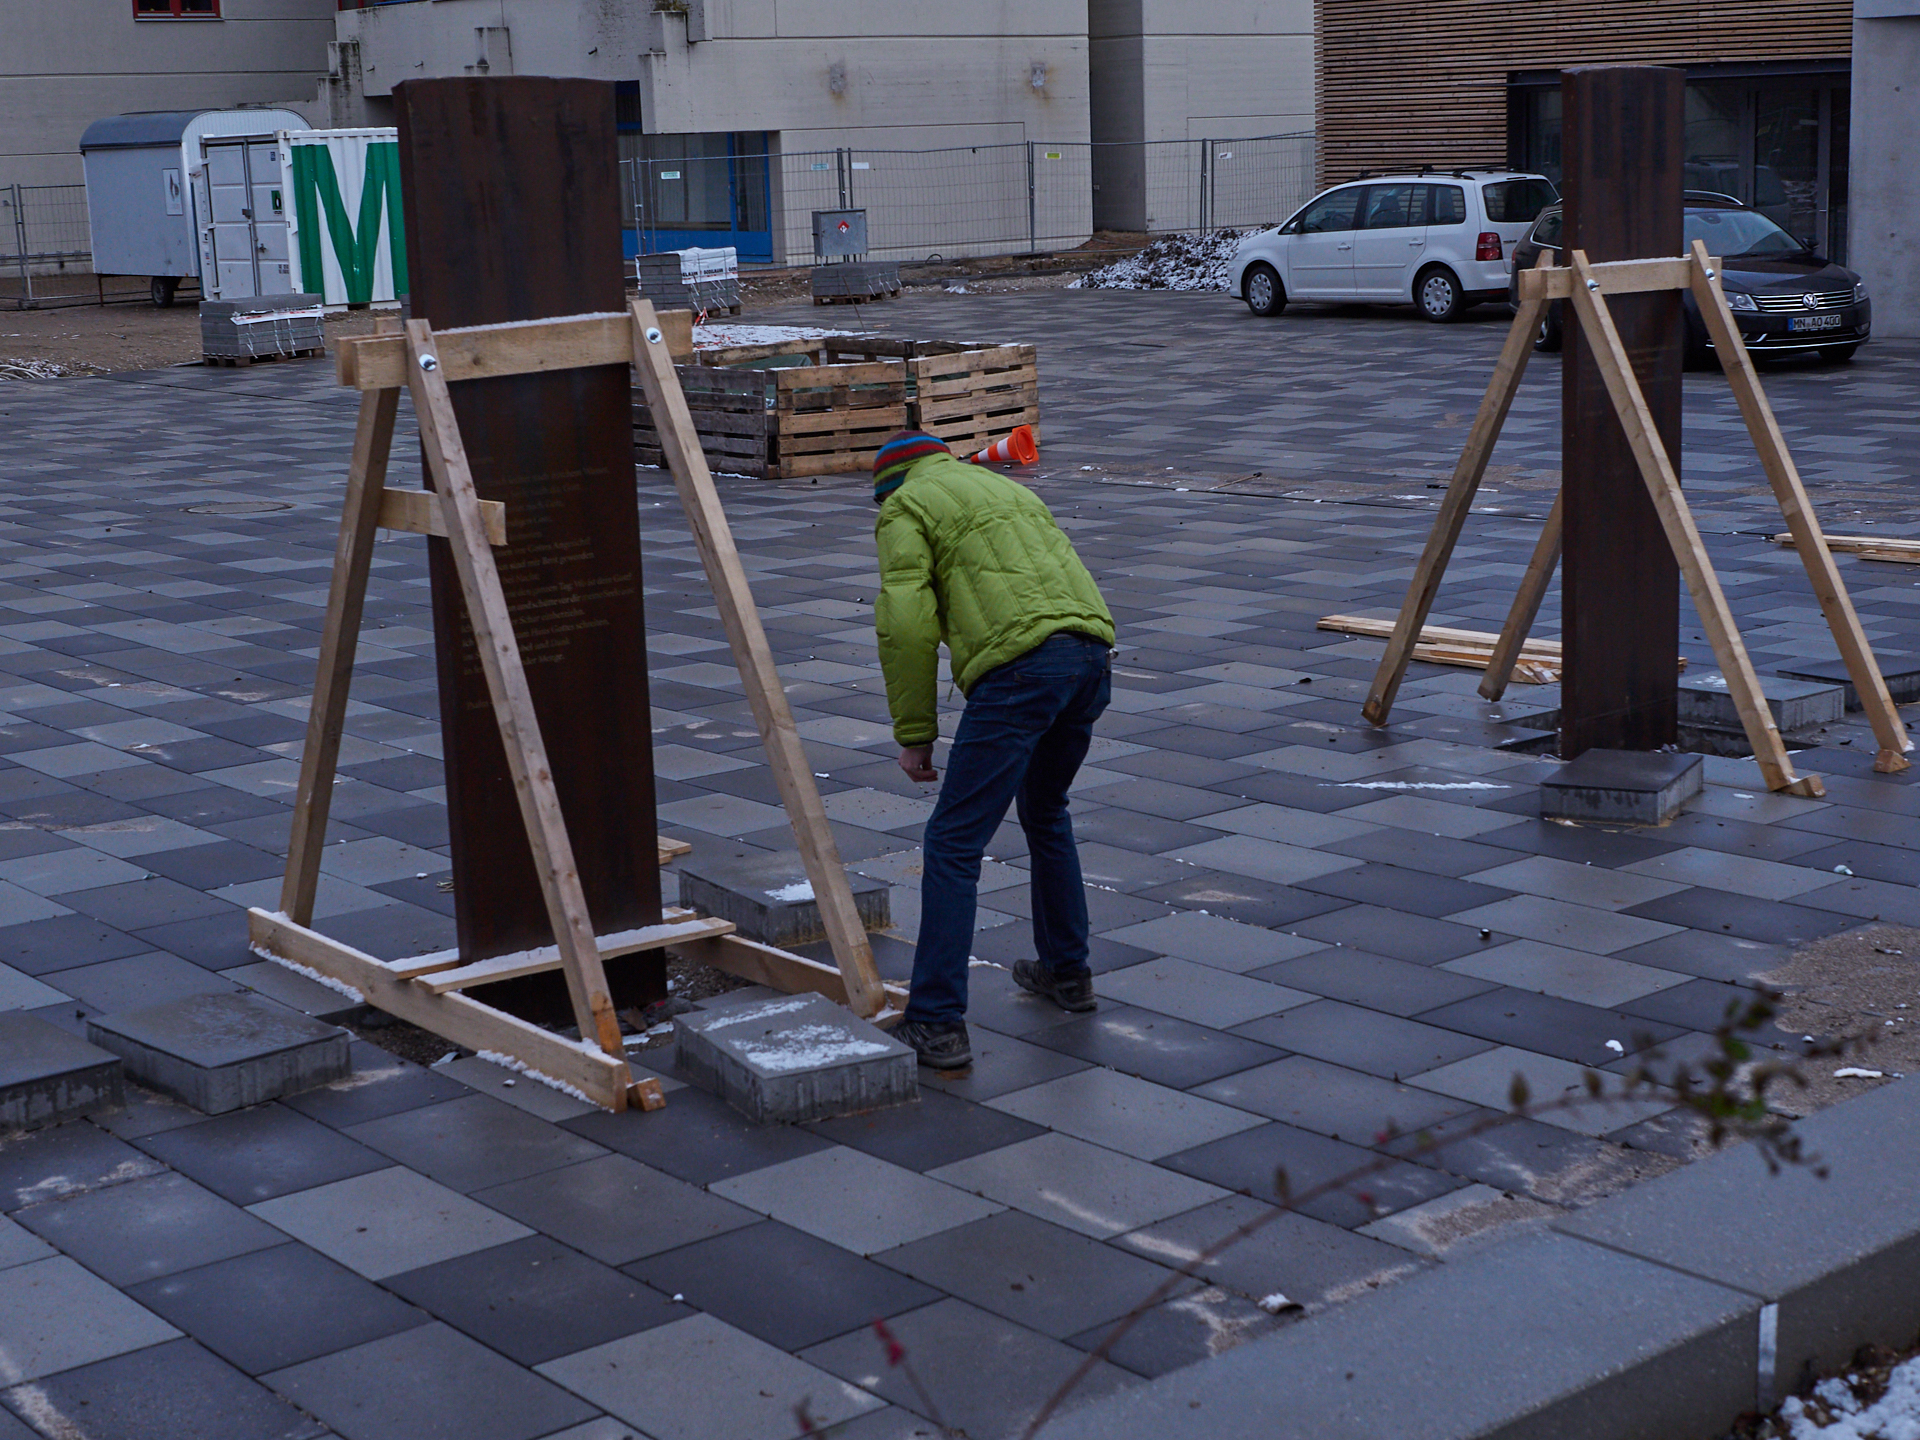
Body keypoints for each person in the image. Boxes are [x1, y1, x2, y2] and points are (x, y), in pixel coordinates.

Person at [870, 430, 1116, 1070]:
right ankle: (1068, 972)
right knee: (1046, 811)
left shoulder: (906, 505)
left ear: (888, 487)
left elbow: (905, 622)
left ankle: (936, 1021)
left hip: (1020, 670)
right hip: (1090, 655)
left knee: (954, 841)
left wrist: (915, 733)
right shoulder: (1002, 487)